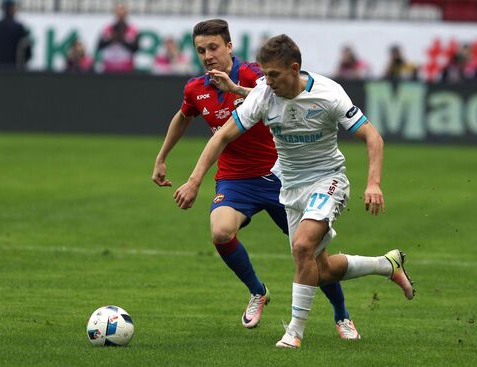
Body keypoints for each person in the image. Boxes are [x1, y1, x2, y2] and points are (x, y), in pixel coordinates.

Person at [173, 34, 415, 348]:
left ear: (294, 69)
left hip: (328, 180)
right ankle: (387, 264)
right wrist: (194, 181)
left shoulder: (329, 93)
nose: (266, 80)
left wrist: (373, 183)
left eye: (272, 74)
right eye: (264, 73)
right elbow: (221, 138)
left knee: (302, 247)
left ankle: (294, 333)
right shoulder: (263, 94)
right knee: (320, 269)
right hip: (289, 188)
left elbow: (373, 137)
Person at [152, 20, 361, 339]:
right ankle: (257, 291)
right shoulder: (196, 89)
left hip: (281, 177)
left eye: (213, 48)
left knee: (313, 254)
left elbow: (280, 97)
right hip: (236, 180)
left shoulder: (255, 74)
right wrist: (162, 158)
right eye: (200, 50)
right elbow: (183, 117)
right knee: (221, 232)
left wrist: (237, 90)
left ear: (229, 47)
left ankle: (342, 315)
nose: (207, 55)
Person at [0, 0, 32, 69]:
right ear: (11, 9)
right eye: (14, 7)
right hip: (15, 69)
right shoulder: (19, 27)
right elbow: (27, 52)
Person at [96, 3, 139, 73]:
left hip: (127, 69)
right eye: (118, 11)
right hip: (109, 68)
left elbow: (136, 49)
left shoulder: (132, 29)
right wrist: (112, 39)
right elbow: (99, 46)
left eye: (122, 11)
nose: (120, 14)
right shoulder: (107, 28)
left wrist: (122, 40)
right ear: (115, 13)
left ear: (126, 13)